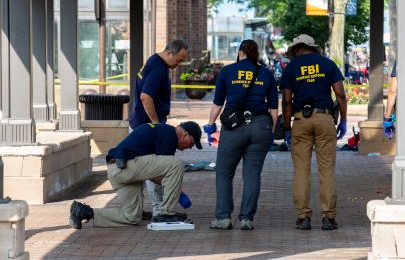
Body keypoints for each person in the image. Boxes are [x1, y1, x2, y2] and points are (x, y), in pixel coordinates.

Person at [68, 121, 202, 229]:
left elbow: (157, 175)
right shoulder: (170, 135)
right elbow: (164, 174)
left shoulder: (162, 131)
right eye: (191, 144)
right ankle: (166, 213)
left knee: (132, 217)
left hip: (118, 170)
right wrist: (178, 193)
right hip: (127, 166)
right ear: (185, 135)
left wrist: (175, 190)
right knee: (176, 164)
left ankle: (83, 211)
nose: (189, 148)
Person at [203, 39, 278, 230]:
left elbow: (218, 102)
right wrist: (271, 130)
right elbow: (273, 109)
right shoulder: (266, 73)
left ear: (240, 52)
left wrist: (211, 125)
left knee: (224, 172)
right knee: (252, 175)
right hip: (260, 124)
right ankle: (246, 218)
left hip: (234, 127)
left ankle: (223, 218)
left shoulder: (228, 71)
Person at [280, 34, 347, 231]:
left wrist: (286, 127)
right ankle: (328, 218)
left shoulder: (291, 68)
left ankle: (303, 218)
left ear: (296, 49)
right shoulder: (328, 65)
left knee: (301, 170)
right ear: (312, 47)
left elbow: (286, 102)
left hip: (301, 120)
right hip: (325, 118)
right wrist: (343, 120)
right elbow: (341, 96)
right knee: (327, 170)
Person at [129, 39, 189, 220]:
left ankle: (136, 210)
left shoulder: (154, 62)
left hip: (139, 125)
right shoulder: (158, 67)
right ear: (170, 52)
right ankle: (160, 210)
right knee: (157, 167)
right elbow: (146, 96)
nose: (179, 64)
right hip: (146, 127)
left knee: (138, 169)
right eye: (179, 59)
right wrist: (157, 125)